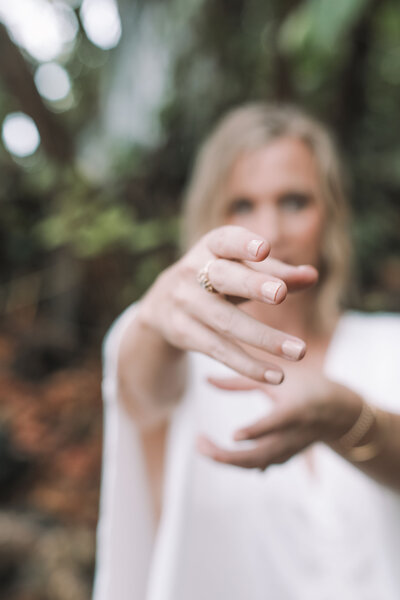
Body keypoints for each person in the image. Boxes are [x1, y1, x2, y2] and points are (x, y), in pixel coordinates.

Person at [92, 104, 400, 600]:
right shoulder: (178, 356)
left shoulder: (389, 345)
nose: (270, 232)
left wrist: (347, 418)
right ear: (209, 218)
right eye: (242, 205)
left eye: (295, 201)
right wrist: (156, 316)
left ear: (332, 214)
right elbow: (138, 379)